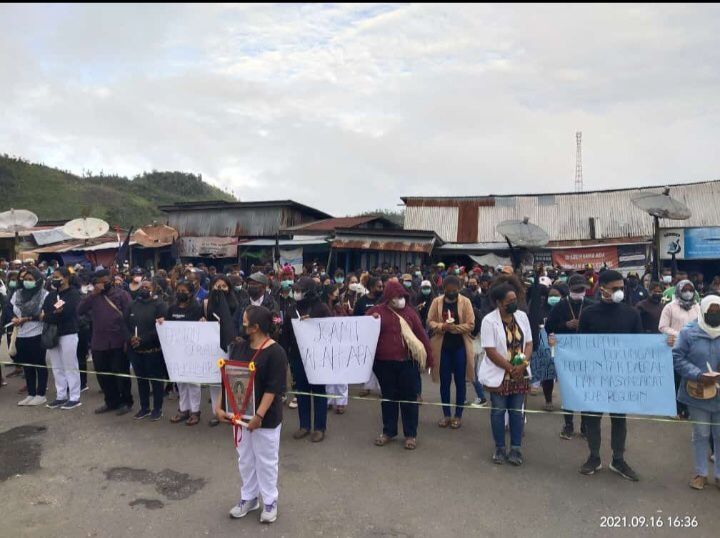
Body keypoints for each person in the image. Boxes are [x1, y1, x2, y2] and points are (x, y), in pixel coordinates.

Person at [218, 306, 287, 524]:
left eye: (245, 321)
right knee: (245, 459)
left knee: (266, 460)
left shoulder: (276, 352)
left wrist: (258, 415)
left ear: (255, 327)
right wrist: (220, 406)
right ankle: (249, 498)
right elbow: (228, 379)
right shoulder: (238, 347)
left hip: (265, 419)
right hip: (239, 416)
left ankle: (269, 500)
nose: (242, 323)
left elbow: (273, 388)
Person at [576, 270, 642, 481]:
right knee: (593, 419)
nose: (619, 292)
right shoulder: (588, 313)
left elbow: (641, 346)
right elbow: (580, 345)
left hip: (620, 378)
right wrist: (557, 345)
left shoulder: (632, 314)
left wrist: (664, 345)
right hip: (594, 378)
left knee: (619, 419)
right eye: (615, 288)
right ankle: (594, 457)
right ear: (602, 288)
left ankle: (618, 459)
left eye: (621, 288)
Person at [368, 280, 433, 450]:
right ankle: (388, 432)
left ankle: (410, 435)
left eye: (402, 296)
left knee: (409, 399)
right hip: (384, 364)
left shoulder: (410, 313)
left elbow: (422, 335)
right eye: (397, 296)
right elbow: (362, 329)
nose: (400, 299)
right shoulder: (376, 312)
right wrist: (371, 320)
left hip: (407, 364)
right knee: (388, 398)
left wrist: (430, 358)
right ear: (388, 297)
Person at [480, 283, 533, 465]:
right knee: (498, 411)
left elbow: (529, 344)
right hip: (501, 374)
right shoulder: (489, 320)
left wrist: (523, 364)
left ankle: (516, 449)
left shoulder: (522, 316)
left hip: (520, 374)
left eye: (515, 300)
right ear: (499, 302)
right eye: (510, 301)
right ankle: (500, 448)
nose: (514, 303)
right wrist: (511, 368)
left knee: (517, 413)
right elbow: (490, 350)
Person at [672, 295, 720, 490]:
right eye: (712, 311)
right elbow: (677, 357)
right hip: (697, 391)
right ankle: (700, 473)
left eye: (719, 311)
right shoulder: (689, 332)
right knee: (701, 433)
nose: (716, 315)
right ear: (703, 310)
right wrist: (699, 375)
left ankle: (719, 474)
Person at [78, 270, 134, 415]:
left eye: (105, 281)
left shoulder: (122, 295)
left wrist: (128, 339)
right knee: (103, 374)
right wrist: (93, 294)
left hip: (118, 340)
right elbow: (79, 310)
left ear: (110, 280)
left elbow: (130, 316)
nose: (103, 284)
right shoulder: (93, 297)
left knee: (120, 373)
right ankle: (111, 401)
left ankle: (125, 402)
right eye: (99, 282)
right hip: (99, 341)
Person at [283, 277, 331, 442]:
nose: (296, 293)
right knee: (301, 393)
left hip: (317, 358)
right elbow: (286, 334)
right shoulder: (291, 310)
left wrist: (313, 323)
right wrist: (287, 355)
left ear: (309, 291)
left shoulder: (322, 309)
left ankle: (319, 427)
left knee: (318, 392)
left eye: (299, 290)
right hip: (297, 357)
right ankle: (304, 425)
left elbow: (330, 332)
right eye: (295, 290)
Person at [546, 274, 593, 439]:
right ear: (570, 290)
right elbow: (548, 327)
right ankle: (568, 425)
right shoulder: (560, 306)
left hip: (587, 354)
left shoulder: (590, 305)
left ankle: (585, 426)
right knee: (568, 390)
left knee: (586, 390)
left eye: (582, 290)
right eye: (577, 290)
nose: (580, 292)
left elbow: (598, 328)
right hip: (566, 354)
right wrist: (565, 325)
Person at [427, 276, 475, 429]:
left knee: (460, 382)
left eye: (455, 291)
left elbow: (471, 324)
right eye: (449, 291)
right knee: (445, 382)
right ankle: (446, 414)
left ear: (459, 289)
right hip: (443, 348)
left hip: (460, 346)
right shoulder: (436, 302)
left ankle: (458, 415)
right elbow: (429, 321)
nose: (452, 294)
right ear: (444, 290)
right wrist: (442, 327)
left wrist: (455, 328)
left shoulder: (465, 302)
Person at [126, 279, 168, 421]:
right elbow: (124, 324)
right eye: (141, 286)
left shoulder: (159, 305)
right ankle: (144, 408)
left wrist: (143, 339)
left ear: (154, 289)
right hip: (136, 351)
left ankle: (157, 408)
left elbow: (161, 327)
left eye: (147, 287)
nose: (143, 289)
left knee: (156, 382)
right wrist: (130, 337)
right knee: (141, 381)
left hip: (153, 351)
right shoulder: (132, 305)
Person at [660, 279, 701, 419]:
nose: (688, 293)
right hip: (676, 350)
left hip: (694, 349)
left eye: (691, 290)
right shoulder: (670, 307)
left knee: (691, 379)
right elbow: (663, 327)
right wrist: (680, 335)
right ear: (679, 290)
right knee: (676, 380)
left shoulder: (698, 307)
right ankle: (676, 409)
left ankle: (689, 410)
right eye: (685, 290)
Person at [42, 267, 82, 409]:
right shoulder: (51, 295)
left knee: (70, 365)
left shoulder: (74, 294)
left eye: (57, 277)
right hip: (52, 334)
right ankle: (61, 395)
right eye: (53, 276)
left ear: (65, 278)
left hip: (68, 332)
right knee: (57, 366)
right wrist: (54, 314)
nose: (54, 279)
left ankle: (75, 397)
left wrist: (53, 315)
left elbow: (67, 313)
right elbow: (45, 313)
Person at [165, 280, 205, 425]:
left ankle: (195, 411)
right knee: (181, 381)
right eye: (179, 290)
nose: (181, 293)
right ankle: (183, 409)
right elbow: (167, 326)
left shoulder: (196, 308)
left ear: (190, 293)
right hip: (177, 351)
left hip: (193, 351)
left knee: (193, 382)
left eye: (184, 291)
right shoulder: (172, 309)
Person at [204, 275, 239, 426]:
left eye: (223, 286)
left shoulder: (236, 304)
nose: (220, 290)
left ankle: (233, 411)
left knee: (231, 379)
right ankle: (216, 411)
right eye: (217, 286)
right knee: (215, 380)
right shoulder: (207, 303)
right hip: (212, 346)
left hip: (231, 345)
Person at [12, 268, 50, 406]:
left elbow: (44, 316)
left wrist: (26, 319)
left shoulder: (44, 295)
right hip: (21, 335)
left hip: (37, 334)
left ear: (38, 280)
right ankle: (31, 393)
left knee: (39, 364)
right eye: (25, 280)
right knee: (27, 367)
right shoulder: (18, 294)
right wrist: (14, 318)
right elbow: (12, 311)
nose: (27, 282)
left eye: (30, 280)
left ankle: (41, 394)